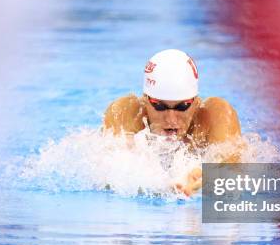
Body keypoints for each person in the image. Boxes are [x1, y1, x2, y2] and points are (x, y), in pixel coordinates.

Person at [103, 49, 243, 196]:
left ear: (196, 102)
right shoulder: (124, 113)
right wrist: (158, 188)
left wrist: (207, 177)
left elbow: (233, 168)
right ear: (145, 100)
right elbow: (111, 175)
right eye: (159, 106)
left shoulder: (216, 115)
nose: (171, 119)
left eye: (183, 106)